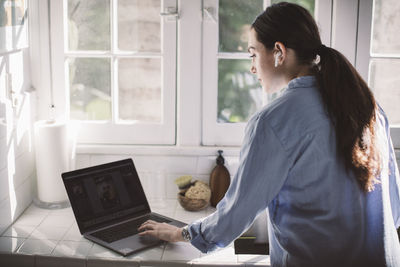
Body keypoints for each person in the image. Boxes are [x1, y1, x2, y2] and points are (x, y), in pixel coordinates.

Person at [138, 2, 400, 266]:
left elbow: (233, 218)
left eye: (253, 54)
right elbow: (394, 210)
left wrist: (181, 233)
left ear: (279, 52)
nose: (252, 68)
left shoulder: (274, 121)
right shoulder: (367, 107)